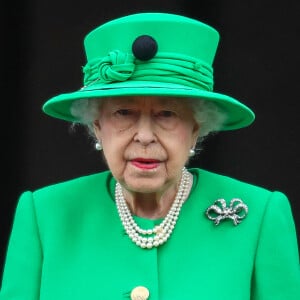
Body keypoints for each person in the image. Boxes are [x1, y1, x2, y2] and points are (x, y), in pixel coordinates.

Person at [0, 12, 299, 300]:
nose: (144, 135)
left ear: (196, 127)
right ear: (97, 126)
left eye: (166, 113)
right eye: (124, 112)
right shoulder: (44, 216)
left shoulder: (260, 218)